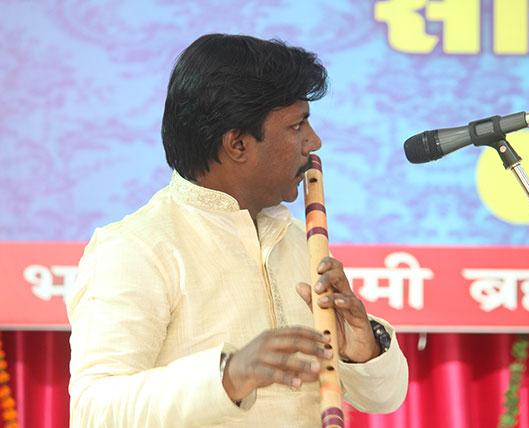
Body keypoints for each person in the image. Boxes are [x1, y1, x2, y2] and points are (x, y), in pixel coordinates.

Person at [66, 33, 408, 427]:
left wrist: (361, 345)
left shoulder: (299, 241)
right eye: (297, 126)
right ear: (238, 144)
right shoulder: (135, 248)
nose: (314, 142)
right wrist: (229, 376)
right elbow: (94, 411)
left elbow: (384, 398)